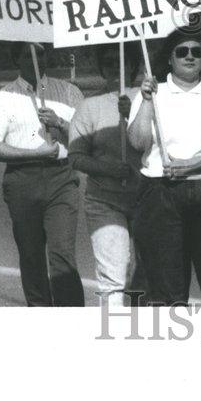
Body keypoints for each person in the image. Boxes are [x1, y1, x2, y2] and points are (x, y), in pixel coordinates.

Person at [128, 24, 201, 305]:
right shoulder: (151, 94)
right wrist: (147, 101)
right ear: (170, 58)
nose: (189, 56)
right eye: (182, 51)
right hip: (159, 194)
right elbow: (139, 142)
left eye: (196, 52)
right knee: (165, 289)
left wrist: (189, 165)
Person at [0, 42, 85, 306]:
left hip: (62, 178)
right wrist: (34, 154)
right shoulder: (4, 97)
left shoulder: (68, 92)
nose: (36, 59)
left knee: (62, 254)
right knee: (31, 255)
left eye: (41, 53)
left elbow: (87, 137)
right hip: (22, 180)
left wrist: (60, 123)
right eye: (28, 54)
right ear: (18, 59)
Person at [68, 43, 143, 307]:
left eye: (120, 60)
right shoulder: (90, 105)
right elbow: (75, 156)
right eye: (108, 60)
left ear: (133, 64)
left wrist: (132, 113)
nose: (114, 65)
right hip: (105, 201)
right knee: (114, 280)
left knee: (146, 274)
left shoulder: (150, 99)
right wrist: (108, 169)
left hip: (148, 199)